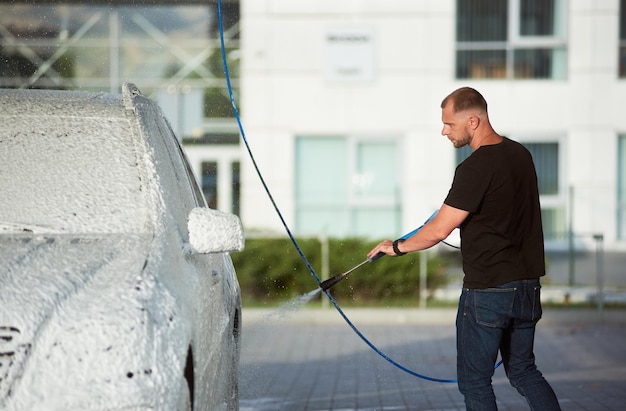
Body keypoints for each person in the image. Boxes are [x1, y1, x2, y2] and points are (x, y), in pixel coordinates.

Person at [367, 87, 561, 410]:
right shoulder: (521, 156)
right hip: (527, 287)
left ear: (473, 121)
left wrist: (396, 247)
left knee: (474, 382)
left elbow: (439, 229)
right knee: (525, 372)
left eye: (449, 124)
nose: (444, 131)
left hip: (488, 293)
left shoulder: (474, 168)